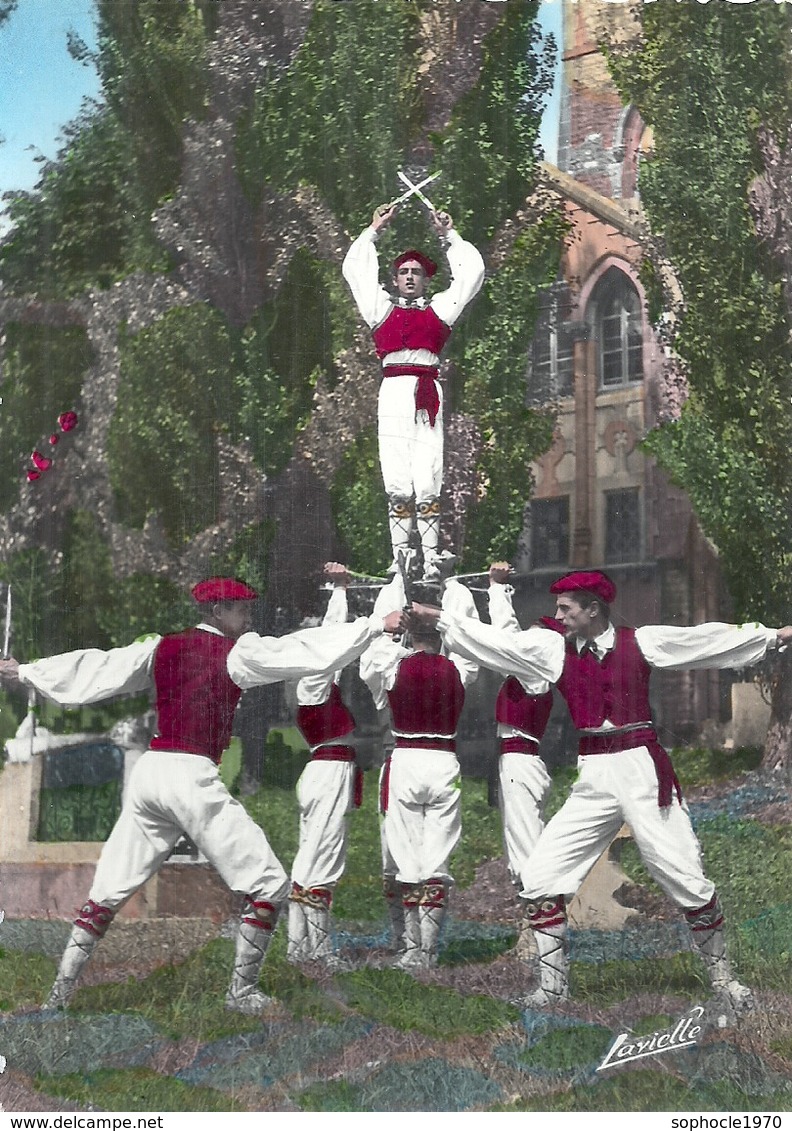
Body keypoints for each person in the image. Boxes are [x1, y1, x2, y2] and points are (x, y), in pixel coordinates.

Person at [0, 578, 402, 1015]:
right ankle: (242, 992)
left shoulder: (160, 647)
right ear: (218, 613)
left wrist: (27, 672)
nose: (248, 619)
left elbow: (99, 669)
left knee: (108, 891)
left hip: (150, 774)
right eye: (242, 611)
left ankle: (58, 996)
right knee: (270, 885)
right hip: (191, 776)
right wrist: (376, 626)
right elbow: (301, 650)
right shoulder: (238, 652)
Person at [415, 568, 792, 1013]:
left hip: (641, 769)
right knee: (540, 879)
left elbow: (702, 641)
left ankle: (724, 981)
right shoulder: (553, 650)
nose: (558, 616)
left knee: (685, 877)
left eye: (566, 609)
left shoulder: (641, 641)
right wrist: (439, 618)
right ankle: (552, 989)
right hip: (594, 774)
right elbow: (501, 646)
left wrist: (773, 636)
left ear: (593, 610)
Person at [342, 201, 485, 581]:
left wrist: (448, 235)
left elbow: (472, 274)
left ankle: (432, 554)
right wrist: (375, 229)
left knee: (427, 473)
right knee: (397, 475)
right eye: (403, 272)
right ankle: (401, 554)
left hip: (428, 394)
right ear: (394, 278)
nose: (408, 277)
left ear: (426, 279)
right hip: (392, 392)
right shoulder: (380, 308)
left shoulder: (440, 309)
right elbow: (355, 269)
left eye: (416, 272)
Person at [360, 573, 479, 970]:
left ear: (411, 635)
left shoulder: (393, 666)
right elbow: (465, 637)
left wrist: (396, 611)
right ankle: (428, 950)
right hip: (445, 761)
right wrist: (452, 596)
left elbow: (373, 656)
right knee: (437, 857)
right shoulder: (458, 668)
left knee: (406, 855)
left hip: (408, 760)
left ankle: (412, 949)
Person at [287, 563, 362, 965]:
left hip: (323, 769)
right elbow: (332, 640)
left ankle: (300, 946)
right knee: (325, 855)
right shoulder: (312, 682)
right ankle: (315, 950)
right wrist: (339, 591)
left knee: (310, 855)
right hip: (329, 771)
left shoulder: (309, 684)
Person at [487, 563, 563, 953]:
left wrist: (496, 590)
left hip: (520, 761)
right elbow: (511, 637)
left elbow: (505, 638)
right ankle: (534, 930)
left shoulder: (535, 670)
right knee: (521, 843)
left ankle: (538, 938)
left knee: (526, 849)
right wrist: (497, 590)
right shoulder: (530, 666)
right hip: (516, 761)